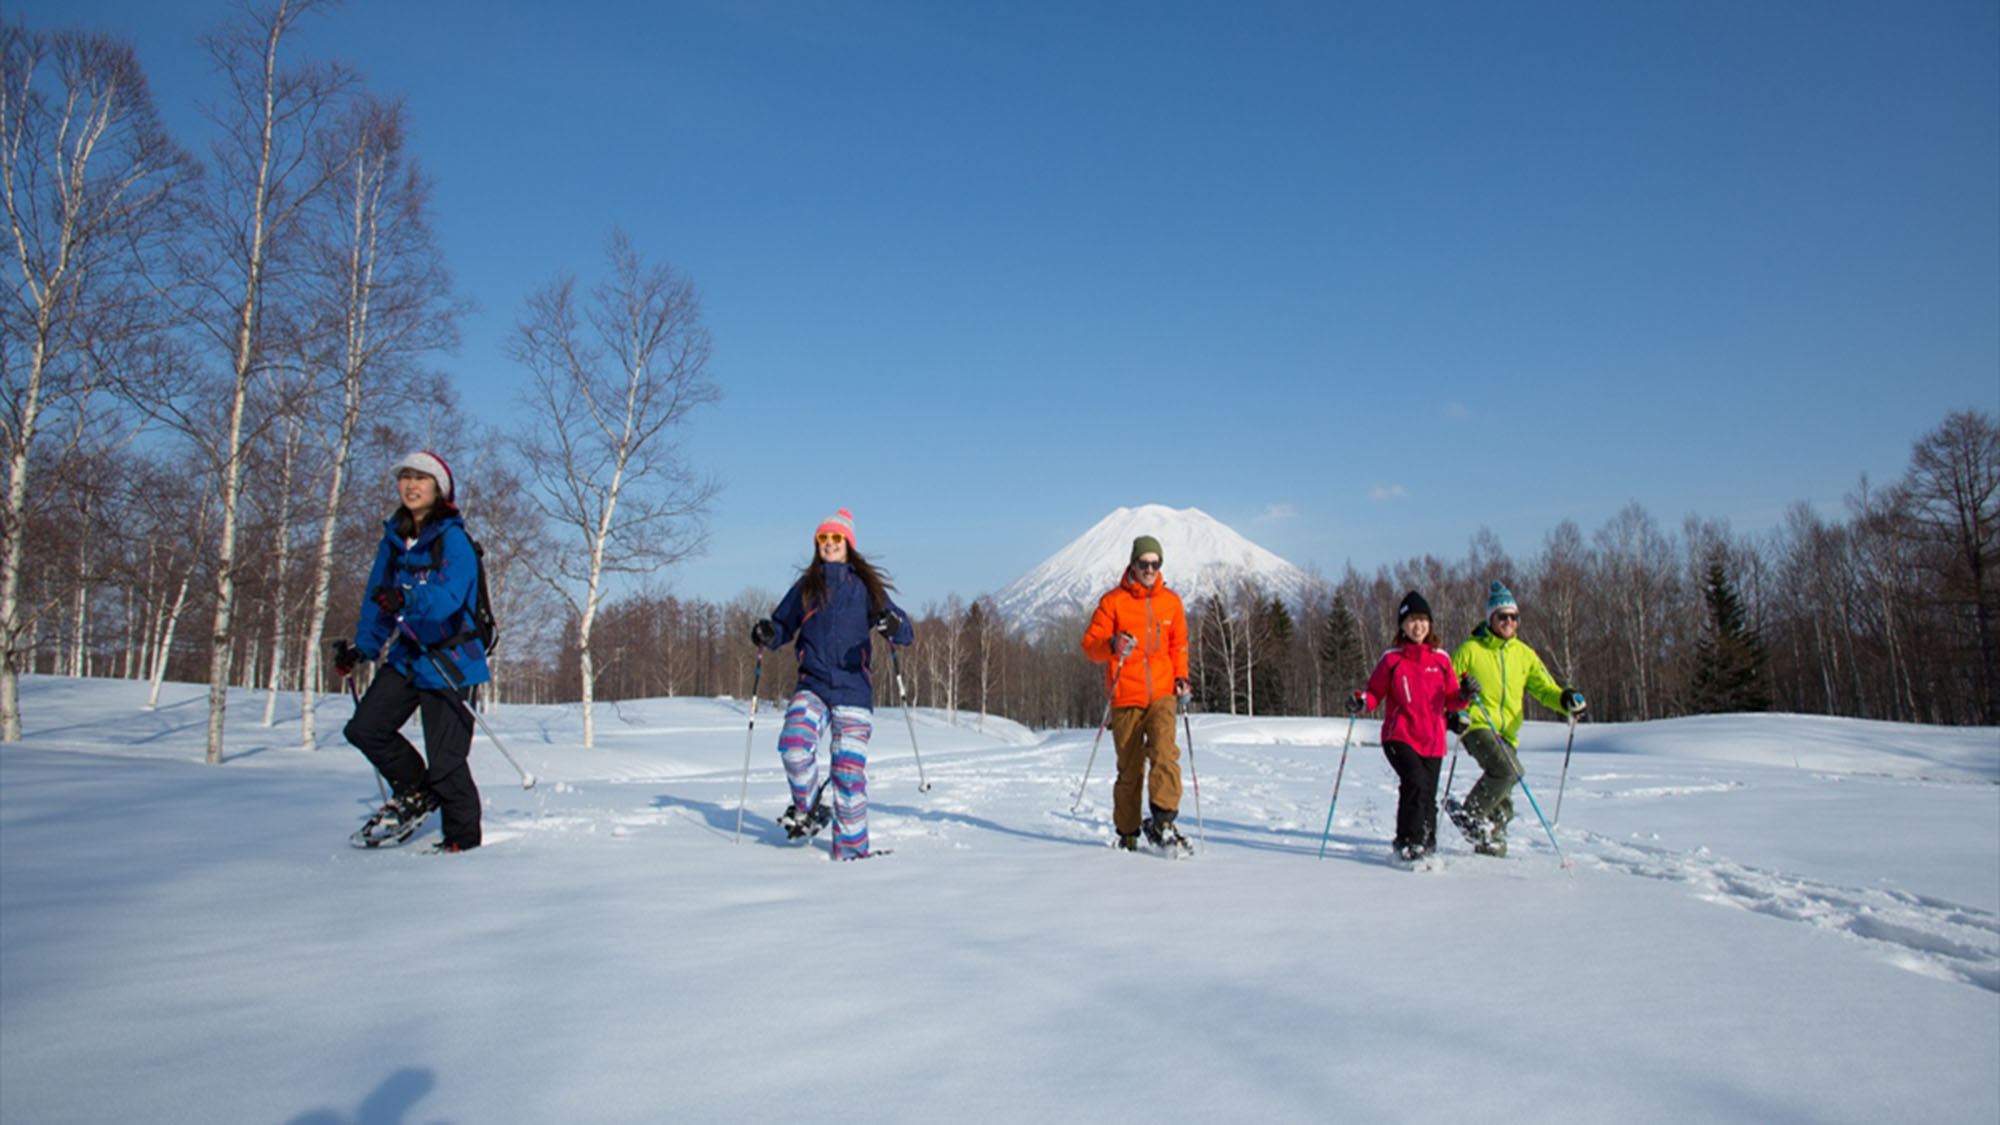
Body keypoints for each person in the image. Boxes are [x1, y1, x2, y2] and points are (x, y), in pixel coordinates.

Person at [333, 451, 490, 853]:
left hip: (451, 662)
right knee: (365, 729)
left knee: (446, 763)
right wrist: (364, 648)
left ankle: (462, 843)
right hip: (408, 657)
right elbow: (377, 600)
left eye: (421, 478)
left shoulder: (454, 540)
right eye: (405, 477)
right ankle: (416, 792)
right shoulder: (395, 541)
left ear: (439, 489)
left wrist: (405, 597)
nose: (411, 485)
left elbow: (449, 599)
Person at [749, 508, 912, 860]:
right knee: (793, 744)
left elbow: (905, 630)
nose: (830, 544)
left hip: (854, 690)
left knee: (847, 772)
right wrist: (768, 633)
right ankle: (808, 807)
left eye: (836, 538)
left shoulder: (865, 589)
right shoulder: (806, 588)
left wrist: (893, 625)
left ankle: (852, 854)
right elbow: (782, 626)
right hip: (814, 686)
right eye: (823, 538)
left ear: (848, 544)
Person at [1447, 581, 1586, 857]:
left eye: (1514, 617)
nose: (1509, 622)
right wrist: (1454, 713)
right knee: (1509, 770)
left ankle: (1492, 848)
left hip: (1508, 732)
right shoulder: (1471, 650)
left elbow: (1544, 689)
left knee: (1502, 798)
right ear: (1490, 618)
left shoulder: (1523, 655)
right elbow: (1446, 686)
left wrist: (1566, 700)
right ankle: (1469, 813)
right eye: (1502, 616)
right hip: (1477, 724)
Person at [1080, 535, 1192, 852]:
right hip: (1126, 696)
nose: (1150, 569)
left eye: (1156, 564)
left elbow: (1178, 645)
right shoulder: (1113, 601)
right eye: (1144, 563)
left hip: (1162, 693)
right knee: (1129, 771)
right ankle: (1128, 833)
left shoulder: (1171, 602)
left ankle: (1164, 820)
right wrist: (1112, 644)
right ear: (1133, 564)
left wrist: (1181, 678)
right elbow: (1090, 646)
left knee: (1164, 753)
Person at [1346, 590, 1476, 862]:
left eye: (1423, 620)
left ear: (1430, 624)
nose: (1418, 626)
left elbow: (1452, 699)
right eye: (1412, 620)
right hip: (1399, 736)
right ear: (1402, 626)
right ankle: (1412, 845)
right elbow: (1374, 694)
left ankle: (1422, 845)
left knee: (1425, 793)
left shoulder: (1441, 659)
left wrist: (1464, 695)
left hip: (1433, 739)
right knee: (1415, 782)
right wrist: (1361, 702)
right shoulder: (1392, 659)